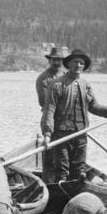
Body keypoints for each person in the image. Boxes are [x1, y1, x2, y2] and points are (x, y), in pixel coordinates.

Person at [41, 48, 107, 181]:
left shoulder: (85, 85)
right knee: (62, 169)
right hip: (61, 134)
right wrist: (47, 134)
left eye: (81, 63)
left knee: (79, 168)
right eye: (76, 62)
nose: (79, 65)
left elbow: (93, 106)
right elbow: (49, 110)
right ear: (68, 64)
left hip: (81, 133)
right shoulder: (56, 85)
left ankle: (78, 186)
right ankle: (62, 191)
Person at [35, 46, 67, 181]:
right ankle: (48, 183)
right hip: (51, 120)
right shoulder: (42, 79)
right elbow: (44, 102)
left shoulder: (66, 75)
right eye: (54, 60)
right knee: (50, 153)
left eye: (59, 60)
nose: (57, 63)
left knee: (65, 153)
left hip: (67, 121)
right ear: (50, 60)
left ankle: (65, 180)